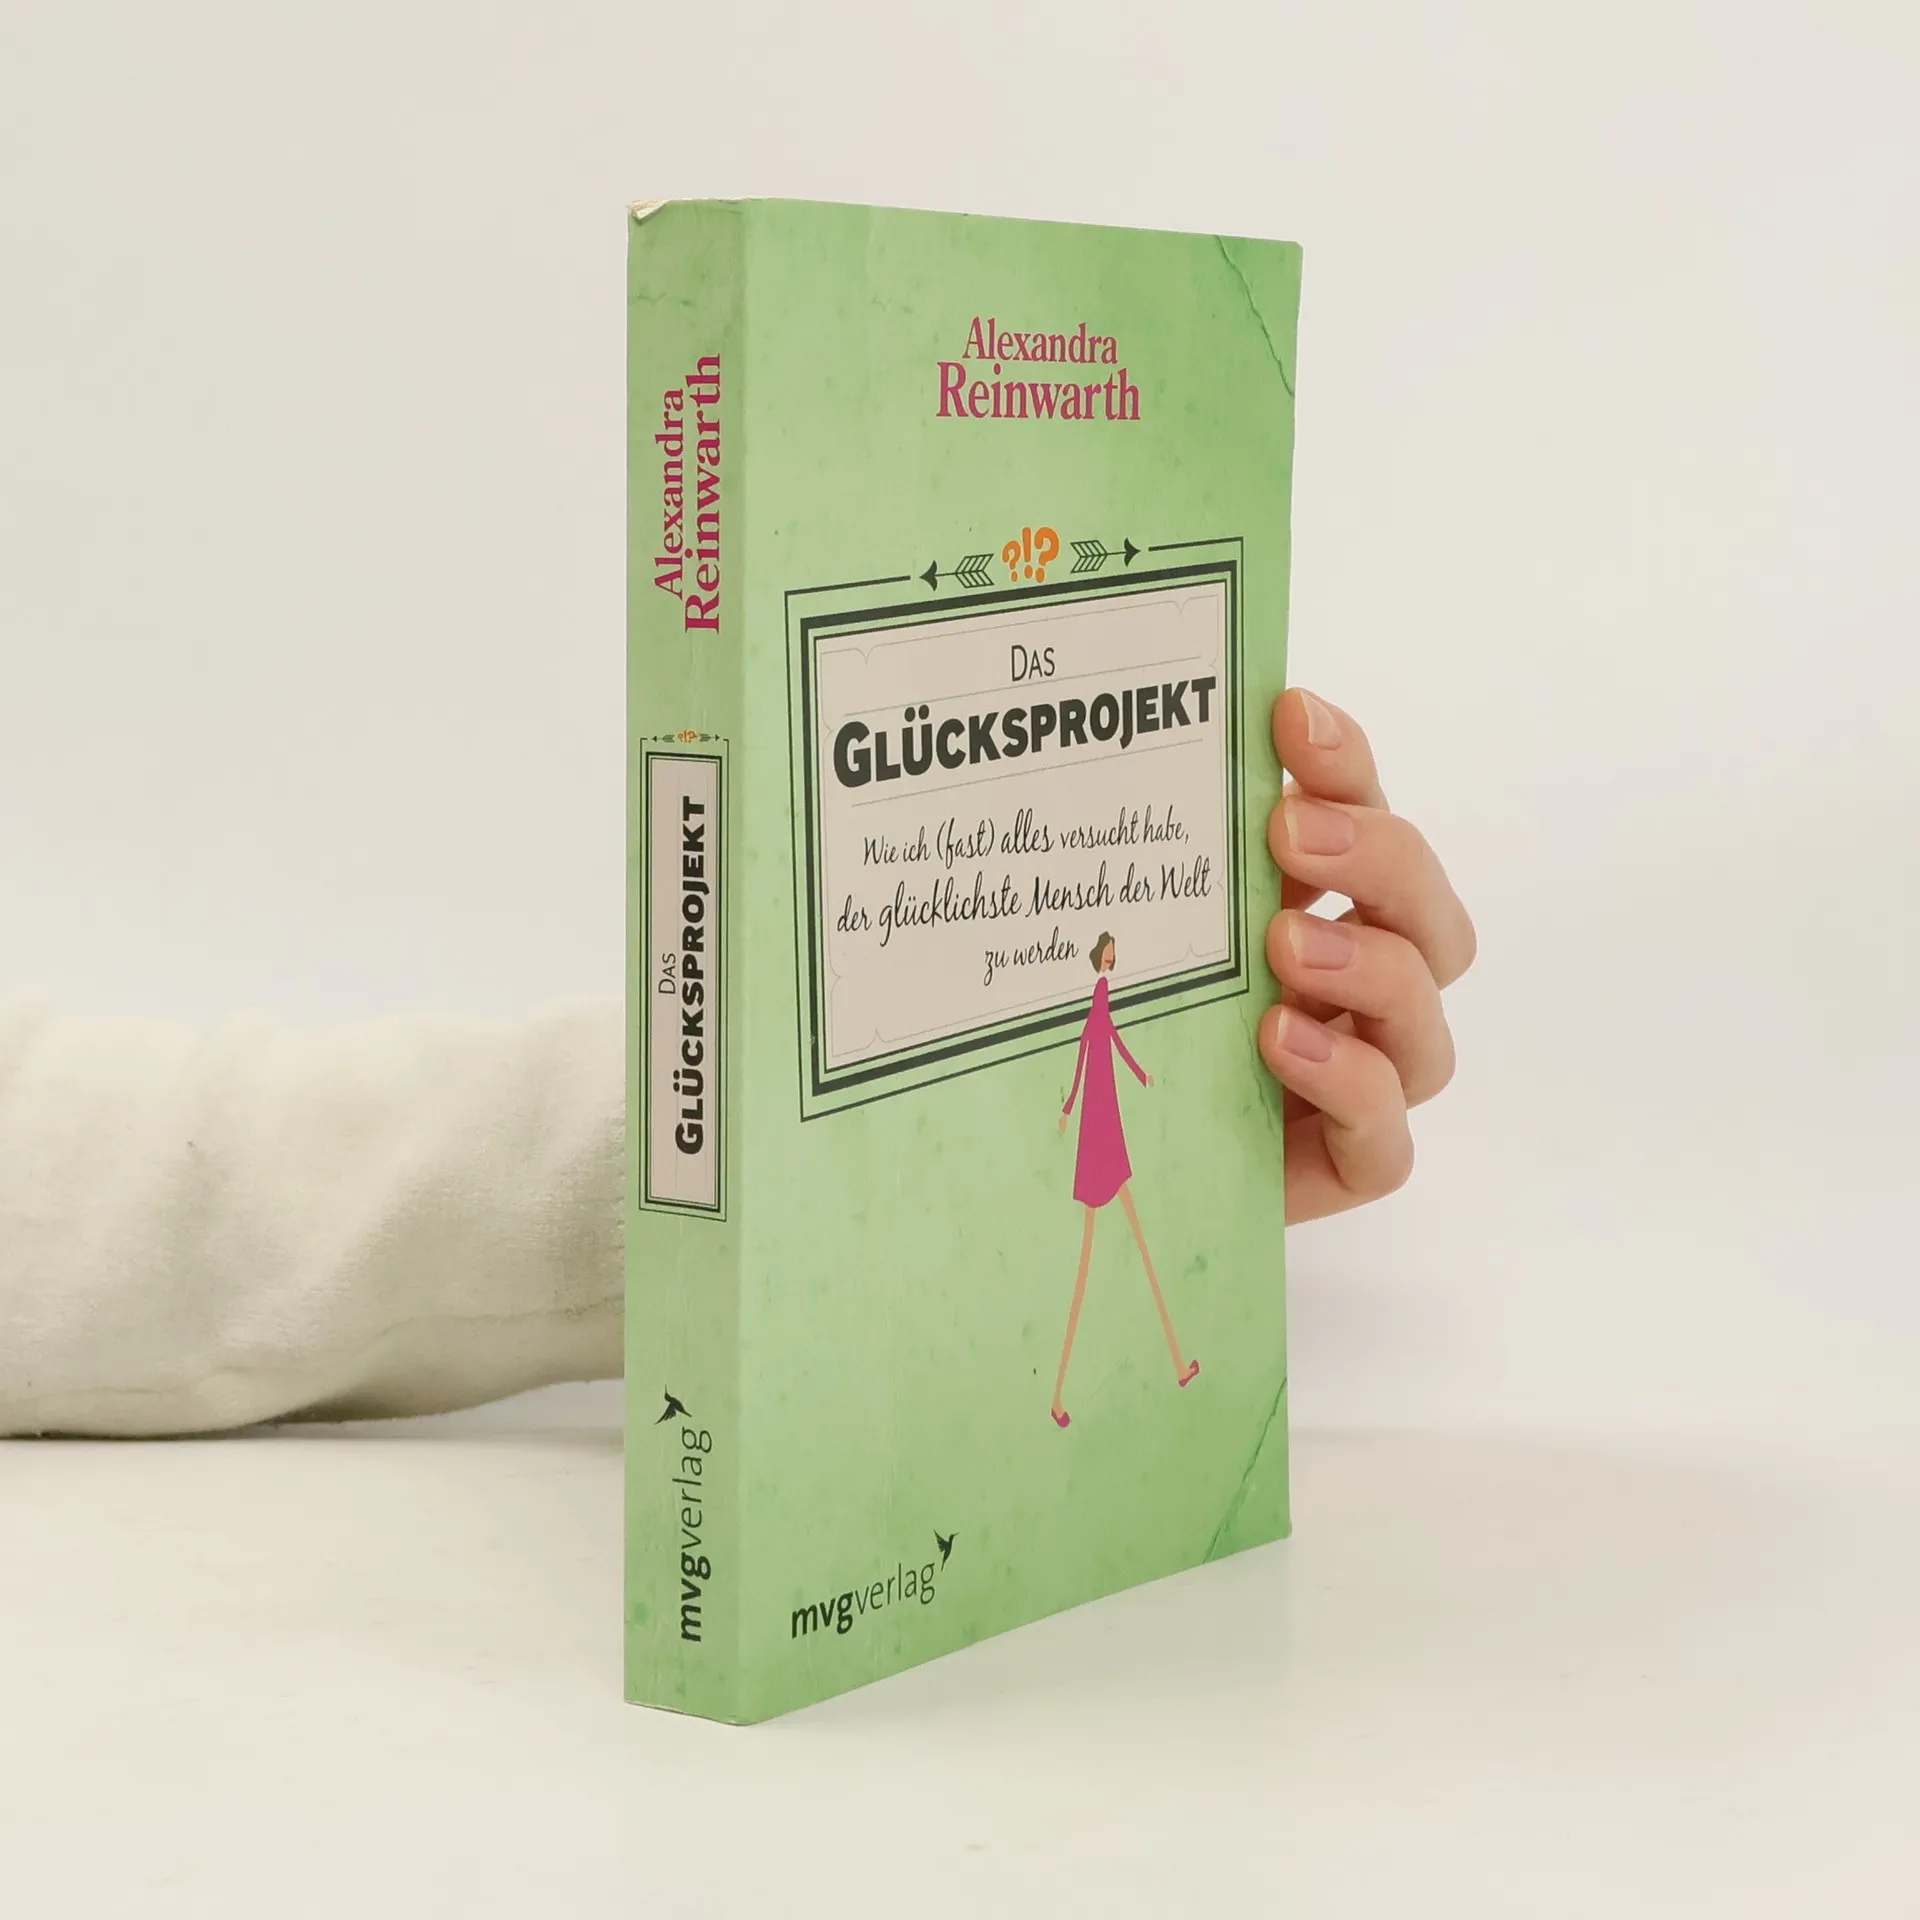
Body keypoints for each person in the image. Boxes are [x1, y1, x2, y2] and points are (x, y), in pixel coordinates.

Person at [0, 689, 1473, 1438]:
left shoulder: (1090, 1023)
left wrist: (900, 1142)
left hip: (1050, 1143)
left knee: (1112, 1246)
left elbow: (114, 1182)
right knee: (1112, 1250)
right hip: (1058, 1143)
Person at [1052, 931, 1197, 1428]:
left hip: (1102, 1128)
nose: (1112, 962)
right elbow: (1095, 1044)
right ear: (1101, 958)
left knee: (1129, 1246)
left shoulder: (1101, 998)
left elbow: (1104, 1041)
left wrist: (1134, 1076)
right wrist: (1073, 1103)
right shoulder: (1099, 995)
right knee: (1089, 1263)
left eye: (1113, 956)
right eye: (1109, 956)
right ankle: (1058, 1394)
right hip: (1100, 1134)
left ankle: (1177, 1363)